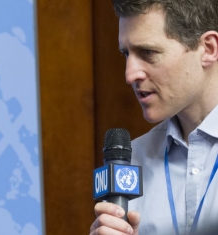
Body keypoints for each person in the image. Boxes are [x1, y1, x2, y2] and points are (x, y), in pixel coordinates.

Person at [90, 0, 218, 234]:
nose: (129, 74)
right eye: (126, 53)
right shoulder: (132, 162)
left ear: (208, 49)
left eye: (148, 52)